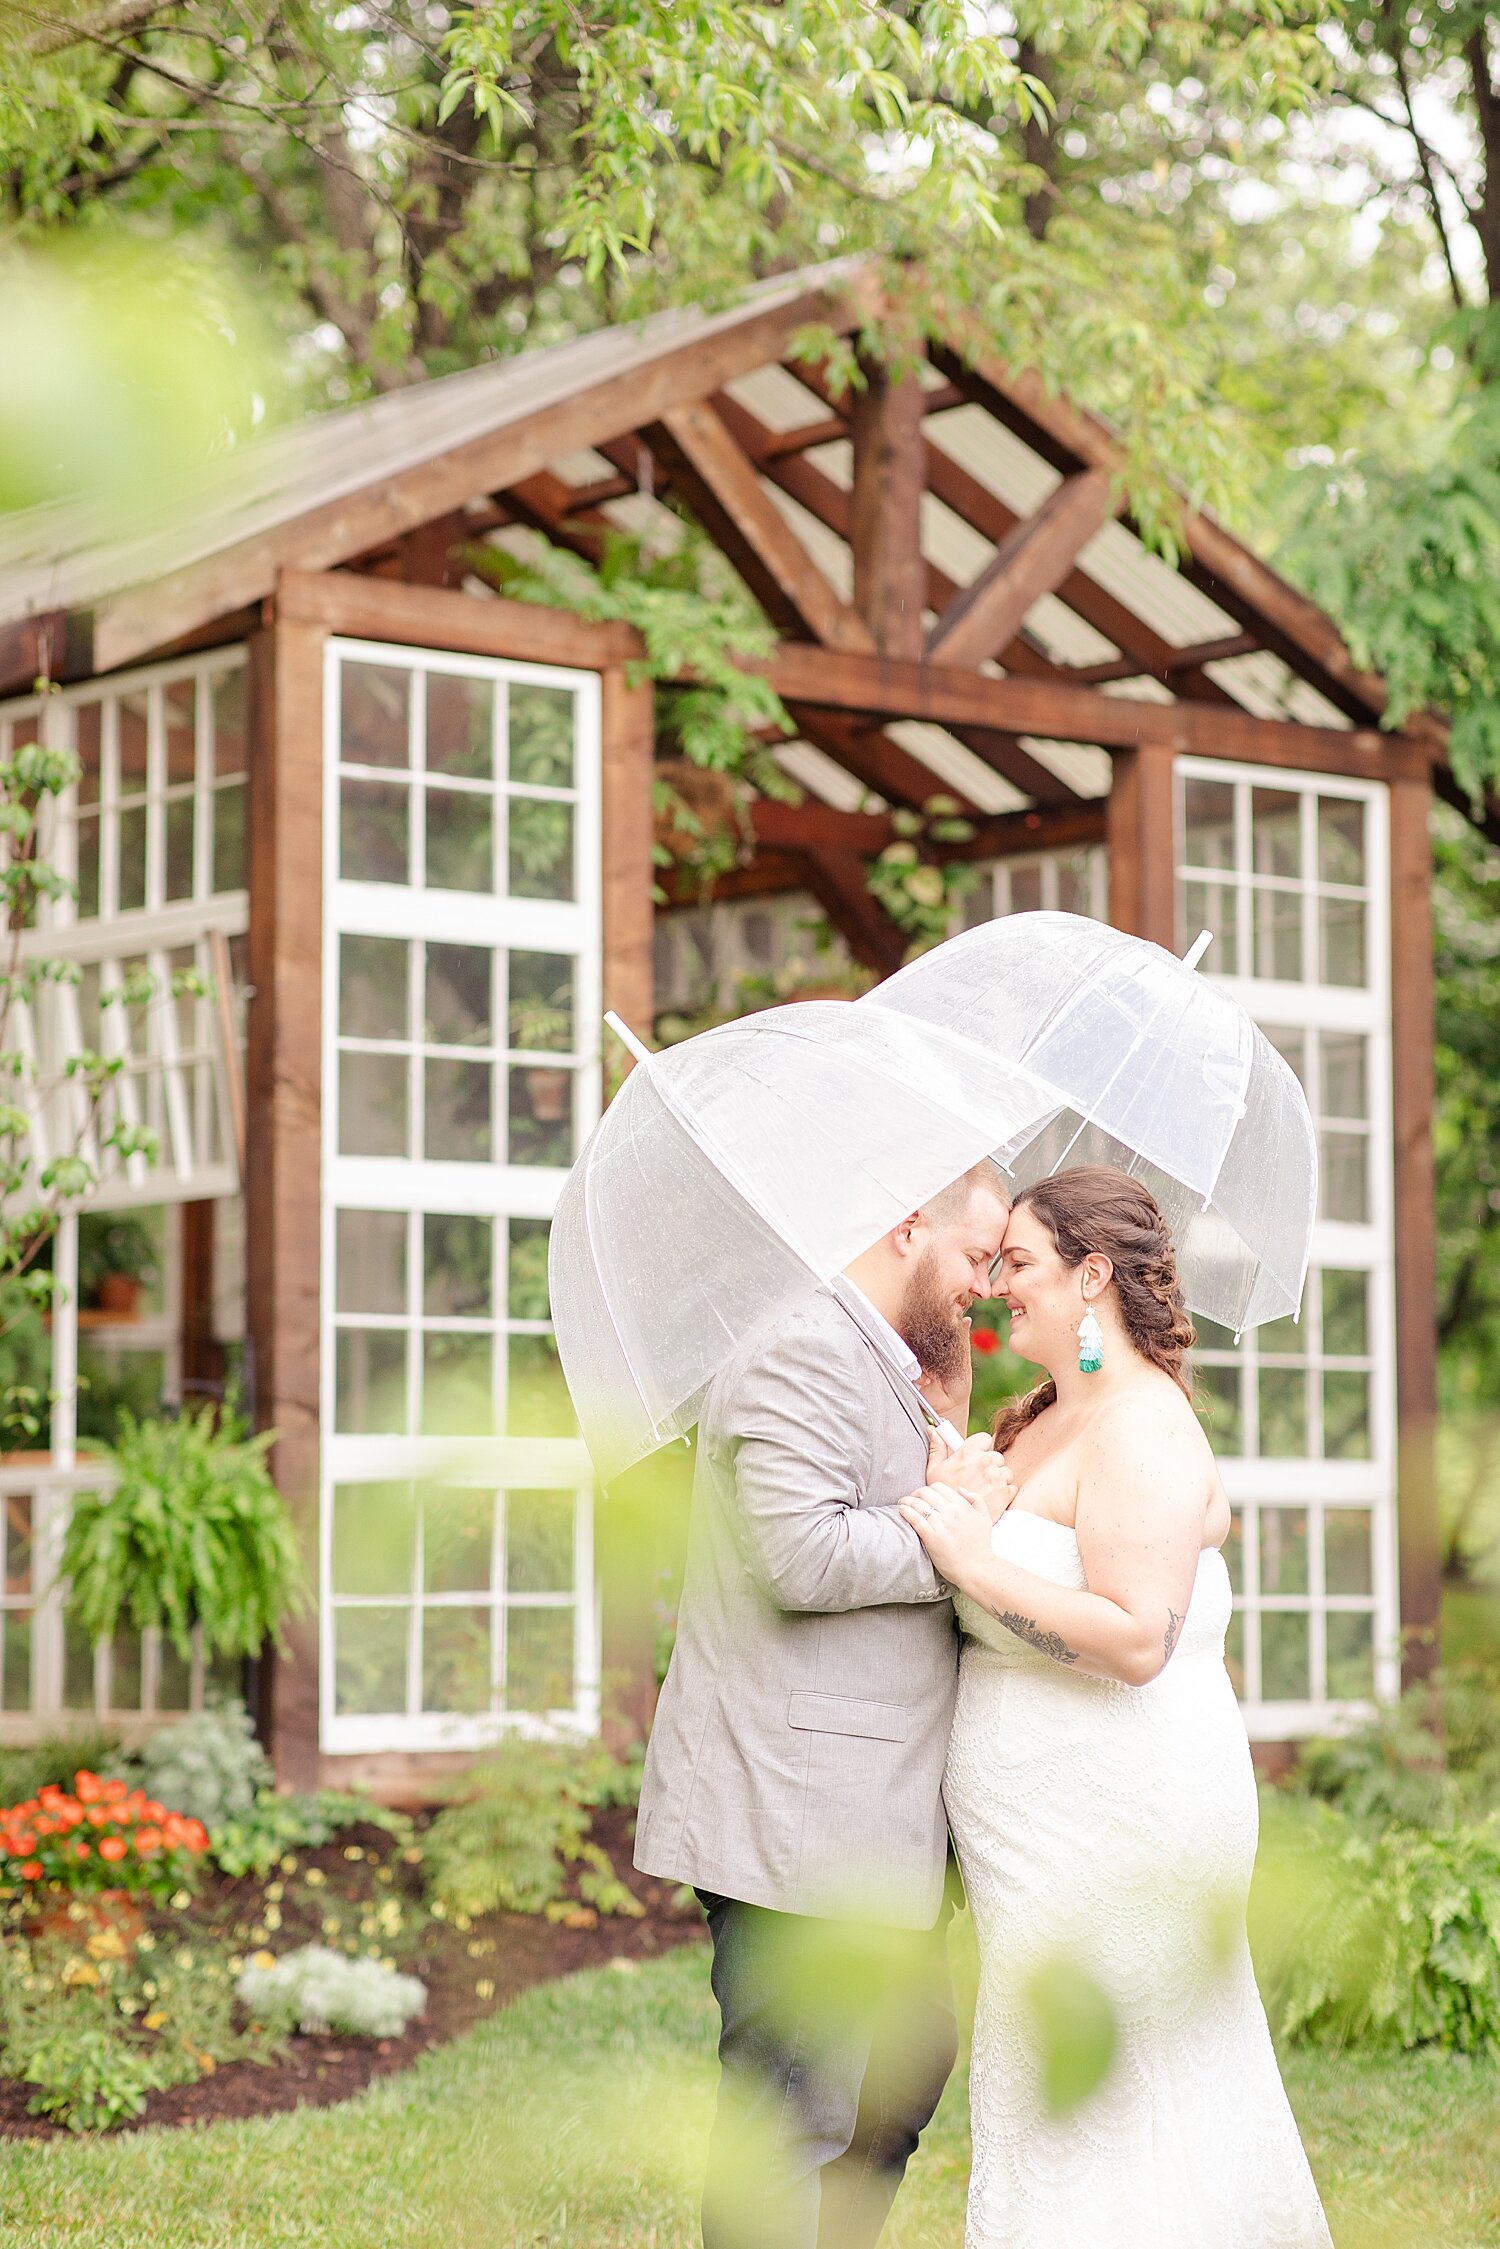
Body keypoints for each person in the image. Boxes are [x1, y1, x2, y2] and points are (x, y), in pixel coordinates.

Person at [900, 1166, 1332, 2249]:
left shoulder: (1139, 1420)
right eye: (993, 1262)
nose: (998, 1285)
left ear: (1092, 1273)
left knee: (1117, 2102)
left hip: (1119, 1825)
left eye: (1021, 1263)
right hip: (1041, 1840)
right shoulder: (1047, 1411)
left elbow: (1139, 1636)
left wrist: (971, 1560)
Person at [634, 1159, 1013, 2249]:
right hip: (794, 1807)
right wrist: (955, 1533)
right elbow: (797, 1554)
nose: (983, 1284)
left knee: (897, 2081)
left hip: (872, 1818)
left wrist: (946, 1451)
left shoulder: (892, 1360)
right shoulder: (798, 1344)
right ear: (906, 1222)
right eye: (977, 1254)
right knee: (791, 2115)